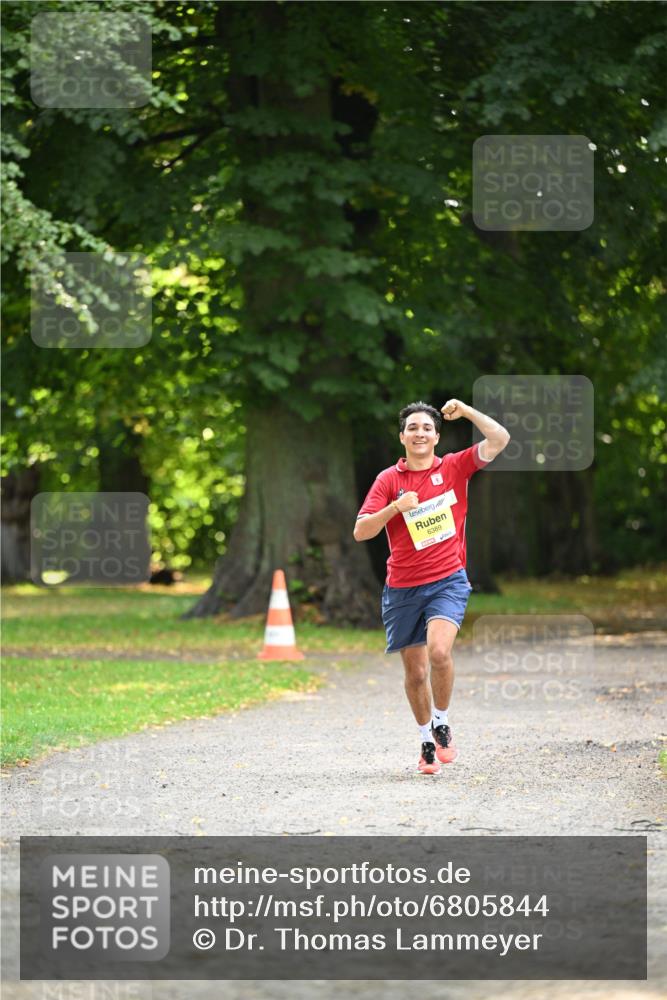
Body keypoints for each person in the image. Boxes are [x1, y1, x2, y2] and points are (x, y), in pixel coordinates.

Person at [354, 399, 510, 774]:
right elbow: (361, 531)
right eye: (413, 428)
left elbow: (501, 438)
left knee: (439, 652)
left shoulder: (455, 467)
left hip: (447, 580)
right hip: (403, 587)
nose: (420, 433)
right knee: (416, 673)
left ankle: (441, 721)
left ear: (437, 436)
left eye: (427, 427)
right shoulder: (388, 480)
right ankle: (426, 740)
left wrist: (469, 412)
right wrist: (395, 508)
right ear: (402, 437)